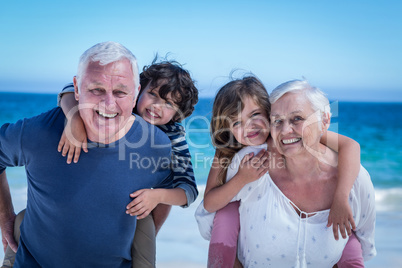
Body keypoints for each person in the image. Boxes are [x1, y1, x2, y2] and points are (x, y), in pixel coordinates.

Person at [0, 41, 173, 267]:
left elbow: (169, 189)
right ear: (77, 88)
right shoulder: (39, 132)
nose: (108, 103)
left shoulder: (156, 145)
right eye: (96, 90)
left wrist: (145, 239)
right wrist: (5, 218)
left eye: (120, 92)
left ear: (136, 93)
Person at [195, 77, 367, 267]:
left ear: (269, 113)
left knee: (346, 233)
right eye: (236, 123)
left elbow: (350, 146)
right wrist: (242, 179)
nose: (248, 126)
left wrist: (340, 198)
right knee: (228, 213)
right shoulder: (225, 150)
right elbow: (209, 204)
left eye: (254, 115)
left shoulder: (291, 134)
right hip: (229, 207)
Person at [57, 57, 199, 268]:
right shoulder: (122, 107)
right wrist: (74, 118)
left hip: (136, 209)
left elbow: (189, 190)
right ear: (138, 90)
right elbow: (70, 89)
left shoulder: (173, 135)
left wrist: (157, 196)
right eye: (152, 94)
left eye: (168, 103)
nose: (156, 106)